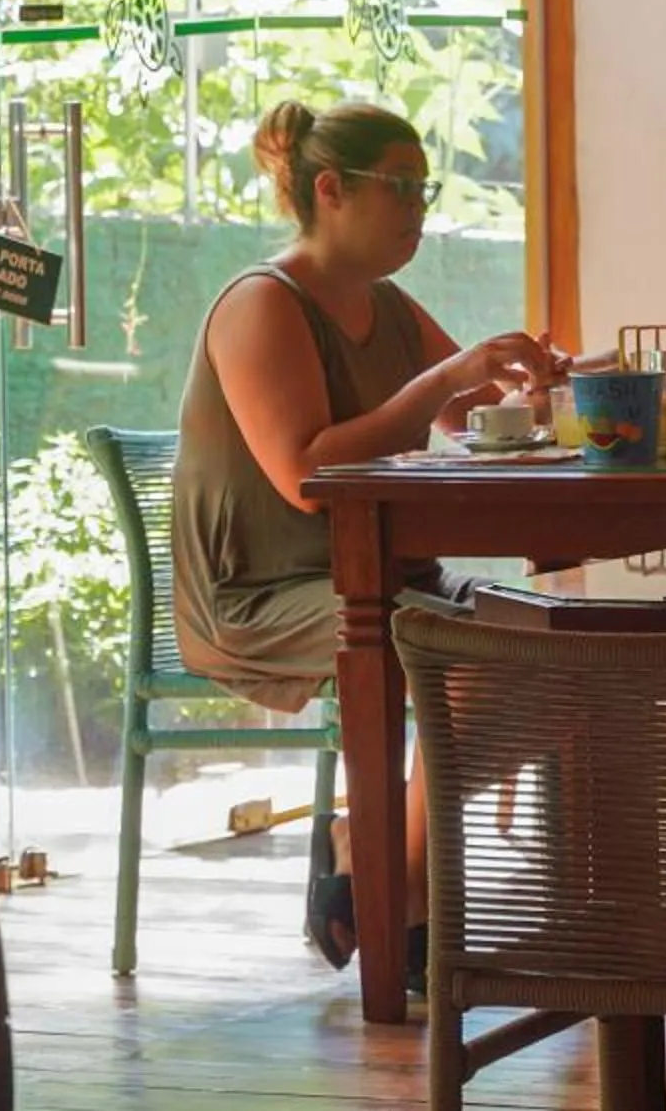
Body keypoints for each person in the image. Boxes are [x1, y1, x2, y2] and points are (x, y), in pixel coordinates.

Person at [177, 99, 559, 978]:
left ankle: (376, 865)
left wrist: (545, 384)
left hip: (389, 581)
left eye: (426, 189)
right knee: (470, 656)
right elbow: (307, 476)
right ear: (329, 190)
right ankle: (402, 908)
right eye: (402, 188)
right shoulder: (262, 304)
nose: (420, 208)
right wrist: (444, 382)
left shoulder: (384, 304)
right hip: (270, 592)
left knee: (556, 646)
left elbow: (473, 412)